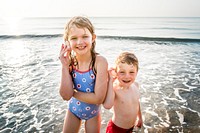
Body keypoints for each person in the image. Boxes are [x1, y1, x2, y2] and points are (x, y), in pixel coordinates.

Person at [59, 16, 108, 133]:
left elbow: (98, 98)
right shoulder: (69, 62)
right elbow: (65, 96)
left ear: (93, 38)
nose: (80, 42)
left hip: (93, 114)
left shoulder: (100, 62)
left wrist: (74, 93)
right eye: (74, 38)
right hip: (73, 110)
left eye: (85, 36)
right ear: (67, 41)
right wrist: (64, 67)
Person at [103, 51, 143, 133]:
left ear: (137, 72)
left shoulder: (136, 85)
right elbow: (107, 106)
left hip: (130, 128)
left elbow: (136, 103)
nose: (127, 76)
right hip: (116, 129)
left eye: (131, 72)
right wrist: (110, 81)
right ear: (116, 73)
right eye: (122, 72)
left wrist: (140, 117)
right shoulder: (115, 88)